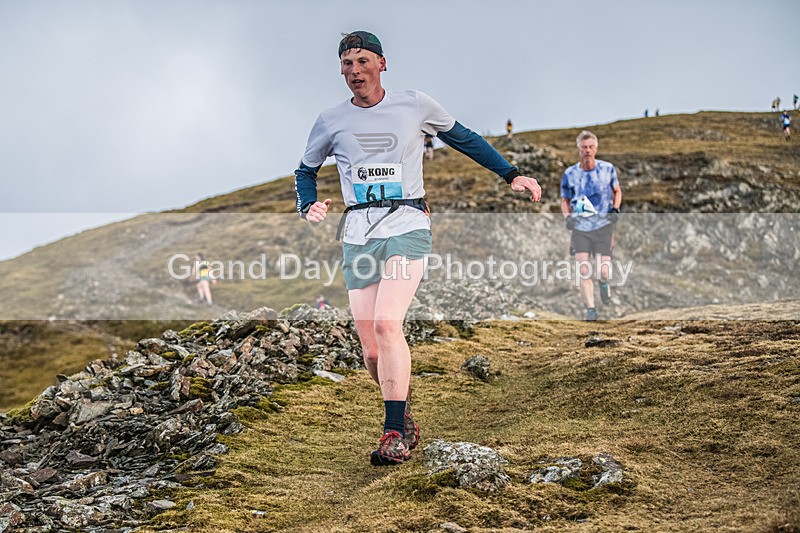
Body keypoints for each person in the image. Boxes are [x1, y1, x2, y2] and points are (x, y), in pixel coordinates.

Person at [294, 30, 542, 466]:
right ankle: (402, 410)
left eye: (363, 61)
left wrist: (511, 174)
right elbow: (305, 170)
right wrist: (308, 204)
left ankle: (393, 433)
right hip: (358, 232)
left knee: (387, 323)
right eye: (347, 63)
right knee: (372, 351)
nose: (355, 70)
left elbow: (464, 138)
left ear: (382, 63)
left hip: (407, 222)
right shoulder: (331, 120)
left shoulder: (414, 104)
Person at [561, 131, 622, 321]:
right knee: (583, 270)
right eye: (584, 147)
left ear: (596, 148)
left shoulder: (607, 169)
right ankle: (591, 309)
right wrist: (568, 218)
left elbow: (617, 191)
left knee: (603, 271)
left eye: (590, 147)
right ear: (578, 149)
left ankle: (604, 283)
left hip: (603, 226)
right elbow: (565, 200)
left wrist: (615, 209)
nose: (587, 150)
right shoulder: (570, 174)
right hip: (580, 228)